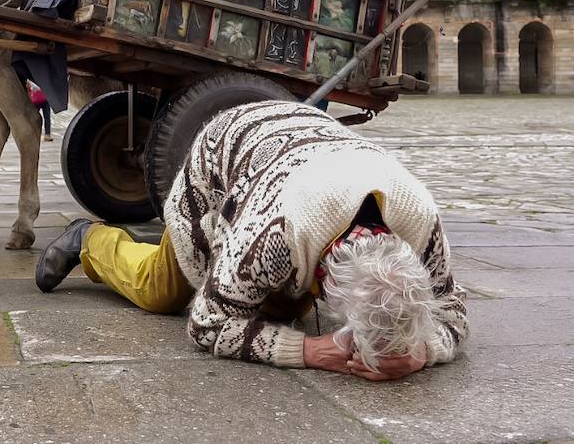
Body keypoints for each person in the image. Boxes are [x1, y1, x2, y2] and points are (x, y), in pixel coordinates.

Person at [37, 100, 468, 381]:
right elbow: (207, 326)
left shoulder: (419, 222)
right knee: (162, 292)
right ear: (329, 289)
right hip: (218, 169)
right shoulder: (275, 233)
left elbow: (454, 312)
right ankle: (90, 240)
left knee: (279, 305)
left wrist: (421, 351)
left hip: (302, 147)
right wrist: (310, 350)